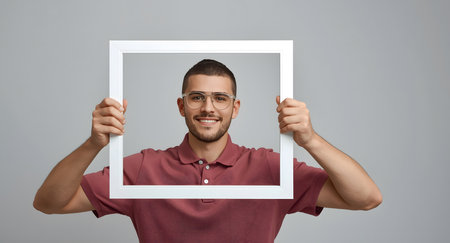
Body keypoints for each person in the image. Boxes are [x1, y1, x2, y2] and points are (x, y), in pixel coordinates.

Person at [34, 59, 382, 242]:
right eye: (197, 97)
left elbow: (366, 197)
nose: (208, 108)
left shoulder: (269, 168)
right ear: (181, 106)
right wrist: (94, 144)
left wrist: (310, 140)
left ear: (236, 107)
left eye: (220, 98)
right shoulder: (143, 168)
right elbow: (49, 203)